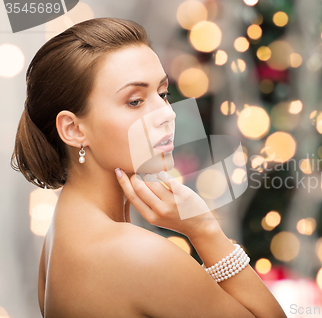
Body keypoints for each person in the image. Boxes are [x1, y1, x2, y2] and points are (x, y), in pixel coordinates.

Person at [10, 17, 286, 318]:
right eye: (135, 101)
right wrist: (204, 228)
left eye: (163, 94)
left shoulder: (62, 235)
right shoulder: (135, 255)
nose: (167, 113)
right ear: (74, 129)